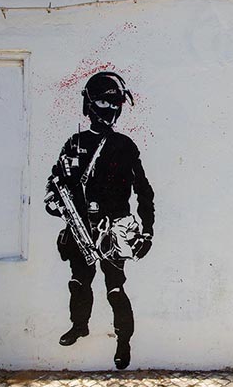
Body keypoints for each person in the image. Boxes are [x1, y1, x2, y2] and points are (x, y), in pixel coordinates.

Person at [45, 71, 155, 370]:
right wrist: (56, 203)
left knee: (115, 289)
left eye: (115, 104)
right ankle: (79, 326)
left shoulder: (125, 146)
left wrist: (147, 232)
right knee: (78, 283)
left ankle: (123, 341)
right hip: (80, 227)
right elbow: (53, 185)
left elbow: (144, 191)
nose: (110, 110)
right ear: (90, 105)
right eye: (105, 103)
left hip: (113, 229)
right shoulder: (74, 143)